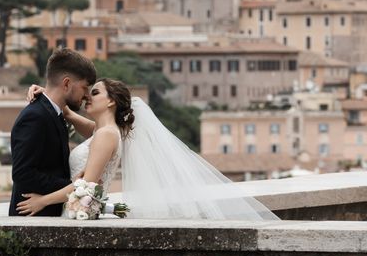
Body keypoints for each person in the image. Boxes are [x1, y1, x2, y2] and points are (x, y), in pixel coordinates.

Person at [17, 80, 278, 221]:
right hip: (77, 210)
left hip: (74, 210)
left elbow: (86, 184)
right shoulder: (108, 132)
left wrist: (43, 200)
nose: (88, 97)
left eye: (94, 93)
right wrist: (52, 99)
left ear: (110, 101)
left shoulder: (107, 136)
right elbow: (83, 124)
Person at [8, 48, 96, 216]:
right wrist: (72, 185)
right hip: (33, 218)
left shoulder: (54, 112)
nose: (86, 95)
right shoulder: (35, 116)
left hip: (49, 214)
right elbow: (22, 173)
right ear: (67, 83)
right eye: (84, 88)